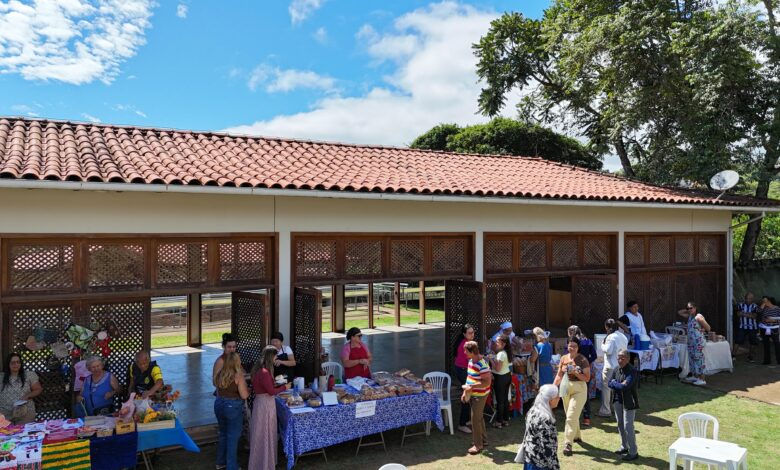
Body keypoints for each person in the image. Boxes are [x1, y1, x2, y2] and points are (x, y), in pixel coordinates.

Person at [249, 346, 292, 470]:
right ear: (270, 357)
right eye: (275, 356)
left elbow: (266, 387)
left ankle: (261, 461)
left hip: (260, 403)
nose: (276, 359)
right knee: (266, 432)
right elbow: (271, 391)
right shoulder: (264, 372)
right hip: (266, 405)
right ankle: (265, 464)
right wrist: (285, 387)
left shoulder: (259, 369)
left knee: (261, 433)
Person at [554, 337, 591, 456]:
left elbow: (587, 378)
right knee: (571, 414)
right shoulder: (563, 358)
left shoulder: (583, 359)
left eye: (574, 346)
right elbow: (559, 375)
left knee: (570, 416)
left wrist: (575, 372)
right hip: (565, 387)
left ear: (578, 347)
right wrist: (554, 387)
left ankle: (567, 444)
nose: (572, 348)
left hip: (579, 388)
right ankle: (576, 436)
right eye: (570, 345)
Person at [214, 352, 250, 470]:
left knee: (223, 434)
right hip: (232, 406)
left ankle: (220, 462)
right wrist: (249, 389)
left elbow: (217, 387)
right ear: (236, 362)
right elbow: (244, 395)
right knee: (232, 437)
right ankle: (232, 466)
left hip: (219, 404)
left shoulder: (220, 373)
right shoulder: (238, 375)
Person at [518, 384, 561, 470]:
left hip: (530, 459)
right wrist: (555, 467)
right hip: (541, 464)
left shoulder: (532, 411)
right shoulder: (545, 419)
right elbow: (547, 447)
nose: (559, 398)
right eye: (557, 397)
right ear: (550, 400)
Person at [461, 340, 492, 455]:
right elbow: (469, 377)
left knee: (475, 419)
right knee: (479, 418)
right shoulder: (470, 361)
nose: (464, 352)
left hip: (480, 395)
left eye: (466, 351)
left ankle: (478, 445)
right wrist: (466, 392)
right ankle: (483, 440)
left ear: (472, 351)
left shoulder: (482, 364)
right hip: (473, 394)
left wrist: (471, 387)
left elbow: (487, 383)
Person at [608, 349, 639, 461]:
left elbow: (625, 387)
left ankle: (633, 452)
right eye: (619, 357)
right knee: (620, 424)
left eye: (623, 358)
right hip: (617, 400)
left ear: (628, 358)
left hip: (629, 402)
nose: (620, 360)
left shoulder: (632, 371)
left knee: (628, 426)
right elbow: (609, 383)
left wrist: (615, 383)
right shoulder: (616, 369)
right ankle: (624, 446)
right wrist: (618, 383)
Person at [0, 353, 42, 424]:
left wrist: (27, 396)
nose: (16, 365)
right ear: (8, 364)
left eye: (18, 362)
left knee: (24, 434)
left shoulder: (29, 375)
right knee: (7, 434)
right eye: (13, 363)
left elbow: (38, 389)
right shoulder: (1, 377)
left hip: (25, 413)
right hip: (5, 415)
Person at [598, 318, 627, 417]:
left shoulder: (610, 337)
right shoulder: (622, 336)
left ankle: (605, 410)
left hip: (611, 366)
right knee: (618, 388)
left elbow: (608, 350)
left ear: (606, 327)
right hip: (621, 366)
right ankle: (619, 410)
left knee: (606, 388)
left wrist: (602, 344)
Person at [568, 325, 596, 427]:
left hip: (574, 370)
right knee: (585, 394)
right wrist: (587, 363)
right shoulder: (588, 341)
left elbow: (570, 355)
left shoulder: (574, 343)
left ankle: (574, 416)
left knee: (572, 393)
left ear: (571, 332)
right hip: (586, 371)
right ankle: (586, 418)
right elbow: (594, 355)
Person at [678, 302, 711, 386]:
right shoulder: (690, 316)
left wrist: (702, 329)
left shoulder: (698, 317)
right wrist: (688, 310)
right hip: (691, 342)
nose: (689, 310)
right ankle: (695, 376)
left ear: (695, 308)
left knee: (699, 360)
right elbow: (679, 312)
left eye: (691, 308)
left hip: (698, 342)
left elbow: (708, 328)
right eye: (688, 308)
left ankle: (702, 379)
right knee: (692, 359)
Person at [453, 324, 476, 434]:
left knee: (468, 395)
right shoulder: (466, 345)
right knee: (467, 395)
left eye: (473, 332)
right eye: (470, 333)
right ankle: (462, 424)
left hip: (461, 369)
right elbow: (472, 359)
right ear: (464, 334)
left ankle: (466, 420)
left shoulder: (465, 342)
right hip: (462, 370)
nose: (472, 334)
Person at [489, 334, 511, 428]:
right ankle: (505, 420)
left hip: (500, 378)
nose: (496, 343)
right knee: (505, 400)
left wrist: (490, 359)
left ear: (503, 344)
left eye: (497, 342)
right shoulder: (505, 352)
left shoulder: (501, 354)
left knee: (500, 401)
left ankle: (499, 422)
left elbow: (497, 369)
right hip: (507, 376)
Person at [733, 293, 759, 362]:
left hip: (752, 327)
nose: (750, 300)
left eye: (751, 298)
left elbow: (754, 316)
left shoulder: (755, 306)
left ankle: (750, 357)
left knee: (753, 342)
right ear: (745, 298)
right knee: (738, 341)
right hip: (742, 326)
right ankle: (733, 356)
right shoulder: (740, 305)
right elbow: (738, 314)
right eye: (748, 298)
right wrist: (749, 314)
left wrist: (743, 313)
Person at [758, 296, 780, 366]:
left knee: (777, 344)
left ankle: (779, 360)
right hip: (765, 328)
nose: (763, 302)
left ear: (769, 301)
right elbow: (758, 312)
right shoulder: (764, 308)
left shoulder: (777, 308)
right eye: (763, 301)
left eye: (765, 301)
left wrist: (773, 320)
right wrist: (762, 306)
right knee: (766, 345)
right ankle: (767, 360)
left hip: (774, 328)